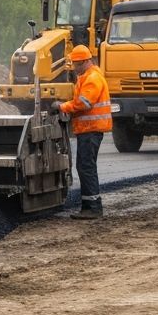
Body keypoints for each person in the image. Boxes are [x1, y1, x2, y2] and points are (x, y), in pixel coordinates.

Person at [57, 44, 112, 217]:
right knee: (85, 166)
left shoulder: (92, 78)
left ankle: (93, 208)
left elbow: (84, 103)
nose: (74, 67)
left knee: (86, 167)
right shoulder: (86, 77)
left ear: (85, 62)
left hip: (91, 130)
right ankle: (89, 206)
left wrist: (62, 107)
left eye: (76, 64)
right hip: (87, 130)